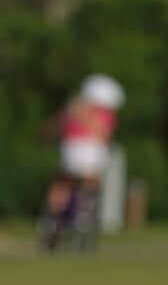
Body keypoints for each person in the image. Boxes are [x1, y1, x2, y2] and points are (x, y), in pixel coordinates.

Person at [42, 74, 125, 225]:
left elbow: (58, 126)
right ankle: (84, 211)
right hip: (92, 152)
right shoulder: (105, 114)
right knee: (92, 181)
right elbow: (105, 136)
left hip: (70, 149)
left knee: (63, 181)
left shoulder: (73, 107)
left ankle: (53, 214)